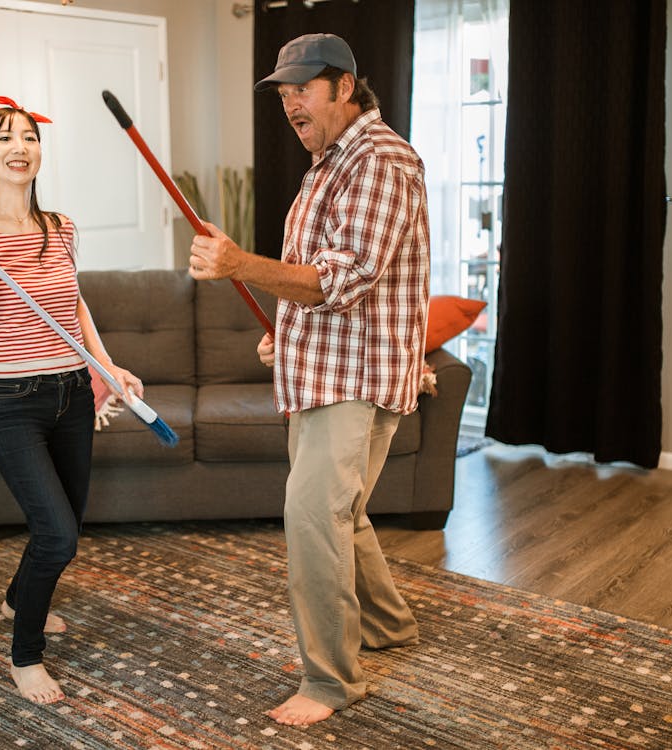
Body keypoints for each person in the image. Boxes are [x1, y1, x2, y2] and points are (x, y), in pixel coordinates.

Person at [187, 34, 430, 726]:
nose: (290, 100)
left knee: (312, 522)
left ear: (345, 87)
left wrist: (239, 263)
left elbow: (342, 278)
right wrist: (284, 331)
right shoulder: (327, 164)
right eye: (283, 90)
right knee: (340, 516)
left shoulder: (379, 160)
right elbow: (319, 285)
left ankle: (329, 682)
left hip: (352, 380)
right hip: (324, 369)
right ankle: (388, 625)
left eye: (304, 86)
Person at [0, 96, 143, 706]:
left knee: (65, 524)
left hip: (70, 393)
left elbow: (75, 305)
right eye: (6, 139)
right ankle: (25, 653)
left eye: (30, 137)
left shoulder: (59, 226)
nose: (21, 147)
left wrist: (106, 364)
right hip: (12, 400)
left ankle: (19, 594)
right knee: (57, 535)